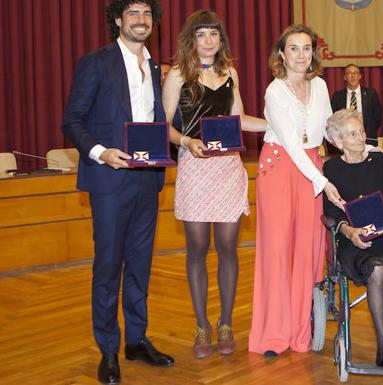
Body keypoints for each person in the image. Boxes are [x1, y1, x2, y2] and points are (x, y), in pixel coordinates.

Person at [61, 1, 174, 384]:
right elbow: (72, 121)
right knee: (108, 266)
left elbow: (155, 118)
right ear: (117, 21)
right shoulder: (96, 62)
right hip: (109, 180)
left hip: (148, 178)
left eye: (147, 15)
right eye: (133, 15)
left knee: (140, 266)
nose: (141, 21)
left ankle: (137, 339)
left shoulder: (155, 66)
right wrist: (101, 152)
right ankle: (108, 349)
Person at [161, 9, 266, 359]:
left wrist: (280, 124)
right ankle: (201, 325)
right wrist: (187, 142)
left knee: (226, 248)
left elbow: (240, 120)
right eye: (202, 34)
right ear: (191, 39)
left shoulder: (230, 72)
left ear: (221, 39)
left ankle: (225, 323)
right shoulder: (177, 75)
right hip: (194, 167)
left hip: (227, 170)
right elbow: (164, 127)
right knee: (196, 249)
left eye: (214, 34)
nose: (208, 41)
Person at [248, 24, 344, 357]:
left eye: (307, 48)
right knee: (276, 252)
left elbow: (330, 130)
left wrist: (360, 144)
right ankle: (272, 335)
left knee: (308, 251)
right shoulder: (275, 91)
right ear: (281, 54)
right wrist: (323, 182)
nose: (301, 55)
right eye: (294, 48)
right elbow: (290, 143)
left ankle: (300, 333)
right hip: (279, 167)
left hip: (313, 167)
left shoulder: (320, 85)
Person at [323, 109, 383, 369]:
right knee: (376, 270)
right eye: (353, 134)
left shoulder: (380, 162)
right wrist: (349, 232)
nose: (361, 137)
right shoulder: (330, 168)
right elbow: (331, 211)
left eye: (362, 131)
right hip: (356, 239)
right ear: (338, 141)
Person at [330, 64, 381, 146]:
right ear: (345, 77)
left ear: (360, 76)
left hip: (367, 141)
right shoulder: (337, 96)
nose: (352, 76)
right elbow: (333, 119)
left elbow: (377, 118)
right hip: (345, 142)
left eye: (355, 73)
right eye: (349, 73)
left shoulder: (371, 94)